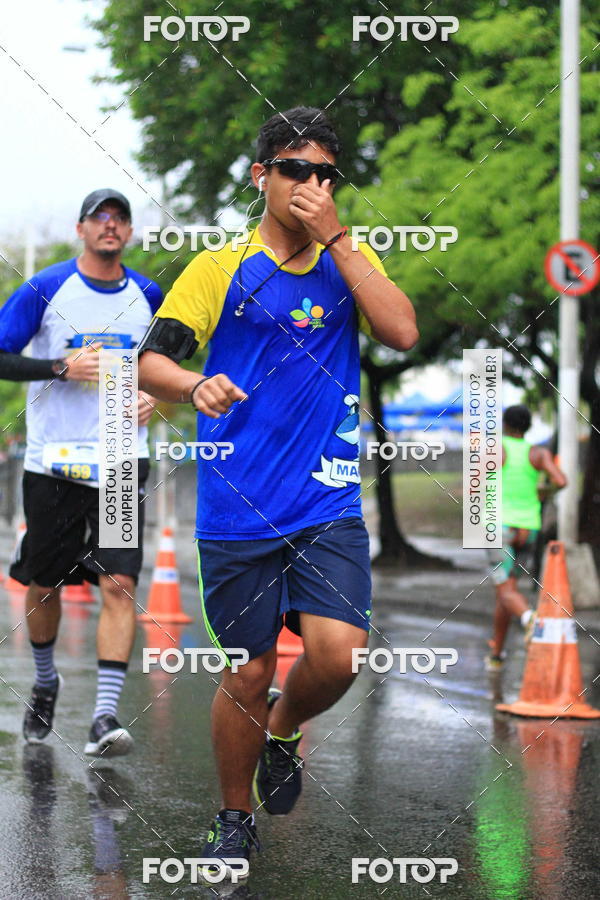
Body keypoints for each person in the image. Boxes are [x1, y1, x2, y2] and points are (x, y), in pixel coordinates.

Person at [138, 107, 418, 877]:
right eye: (296, 168)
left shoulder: (348, 260)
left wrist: (340, 242)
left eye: (326, 173)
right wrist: (195, 385)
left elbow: (401, 333)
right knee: (249, 669)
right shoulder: (218, 266)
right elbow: (151, 362)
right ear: (261, 176)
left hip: (326, 503)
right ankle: (233, 818)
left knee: (338, 657)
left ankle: (285, 730)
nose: (312, 184)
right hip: (239, 504)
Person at [0, 189, 162, 755]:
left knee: (120, 583)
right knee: (45, 585)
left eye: (120, 218)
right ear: (82, 229)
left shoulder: (148, 294)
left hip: (120, 457)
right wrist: (57, 366)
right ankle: (45, 682)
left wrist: (156, 398)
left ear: (129, 232)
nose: (110, 226)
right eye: (101, 217)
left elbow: (162, 369)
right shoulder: (46, 288)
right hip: (53, 463)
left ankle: (104, 717)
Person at [485, 404, 567, 670]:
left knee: (506, 591)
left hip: (499, 527)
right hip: (528, 529)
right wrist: (544, 491)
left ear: (506, 424)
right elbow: (561, 480)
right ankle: (496, 654)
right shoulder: (538, 453)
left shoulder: (497, 449)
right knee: (506, 592)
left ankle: (531, 619)